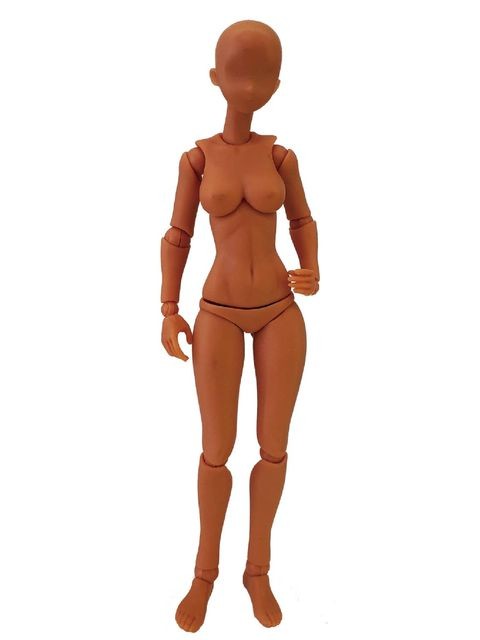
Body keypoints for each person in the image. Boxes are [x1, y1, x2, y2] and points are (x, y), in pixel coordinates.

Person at [160, 19, 320, 632]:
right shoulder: (197, 159)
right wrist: (168, 308)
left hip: (280, 309)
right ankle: (205, 573)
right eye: (237, 73)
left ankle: (258, 570)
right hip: (219, 313)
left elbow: (303, 220)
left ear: (276, 86)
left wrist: (312, 266)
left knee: (273, 448)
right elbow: (178, 235)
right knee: (216, 450)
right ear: (214, 78)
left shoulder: (281, 157)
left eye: (262, 76)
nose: (249, 87)